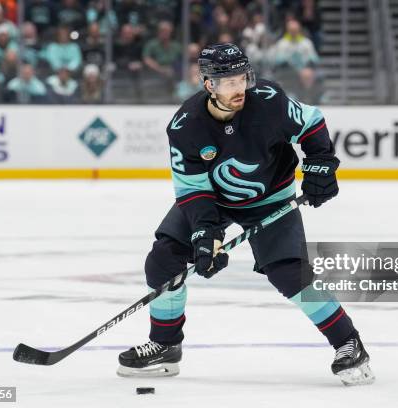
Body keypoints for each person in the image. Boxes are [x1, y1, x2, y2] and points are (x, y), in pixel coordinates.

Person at [117, 43, 375, 387]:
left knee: (289, 274)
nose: (239, 88)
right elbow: (193, 192)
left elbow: (312, 123)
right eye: (229, 82)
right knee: (164, 259)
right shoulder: (185, 126)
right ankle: (165, 346)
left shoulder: (268, 100)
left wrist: (321, 165)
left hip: (272, 198)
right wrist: (206, 235)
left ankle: (348, 342)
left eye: (243, 78)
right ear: (209, 84)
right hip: (214, 200)